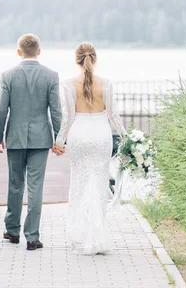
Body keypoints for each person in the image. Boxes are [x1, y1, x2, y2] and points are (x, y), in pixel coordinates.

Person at [53, 42, 127, 255]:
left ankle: (78, 237)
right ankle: (98, 238)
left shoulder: (67, 84)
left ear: (76, 60)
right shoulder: (107, 83)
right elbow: (113, 116)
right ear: (95, 58)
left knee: (79, 184)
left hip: (79, 137)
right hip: (101, 137)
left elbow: (67, 118)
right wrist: (126, 139)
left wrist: (59, 142)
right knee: (99, 184)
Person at [0, 33, 63, 250]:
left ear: (18, 51)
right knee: (35, 187)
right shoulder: (51, 76)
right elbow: (56, 112)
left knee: (15, 184)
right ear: (39, 51)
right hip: (41, 139)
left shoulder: (8, 75)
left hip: (14, 137)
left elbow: (1, 110)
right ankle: (32, 237)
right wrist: (59, 138)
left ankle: (12, 231)